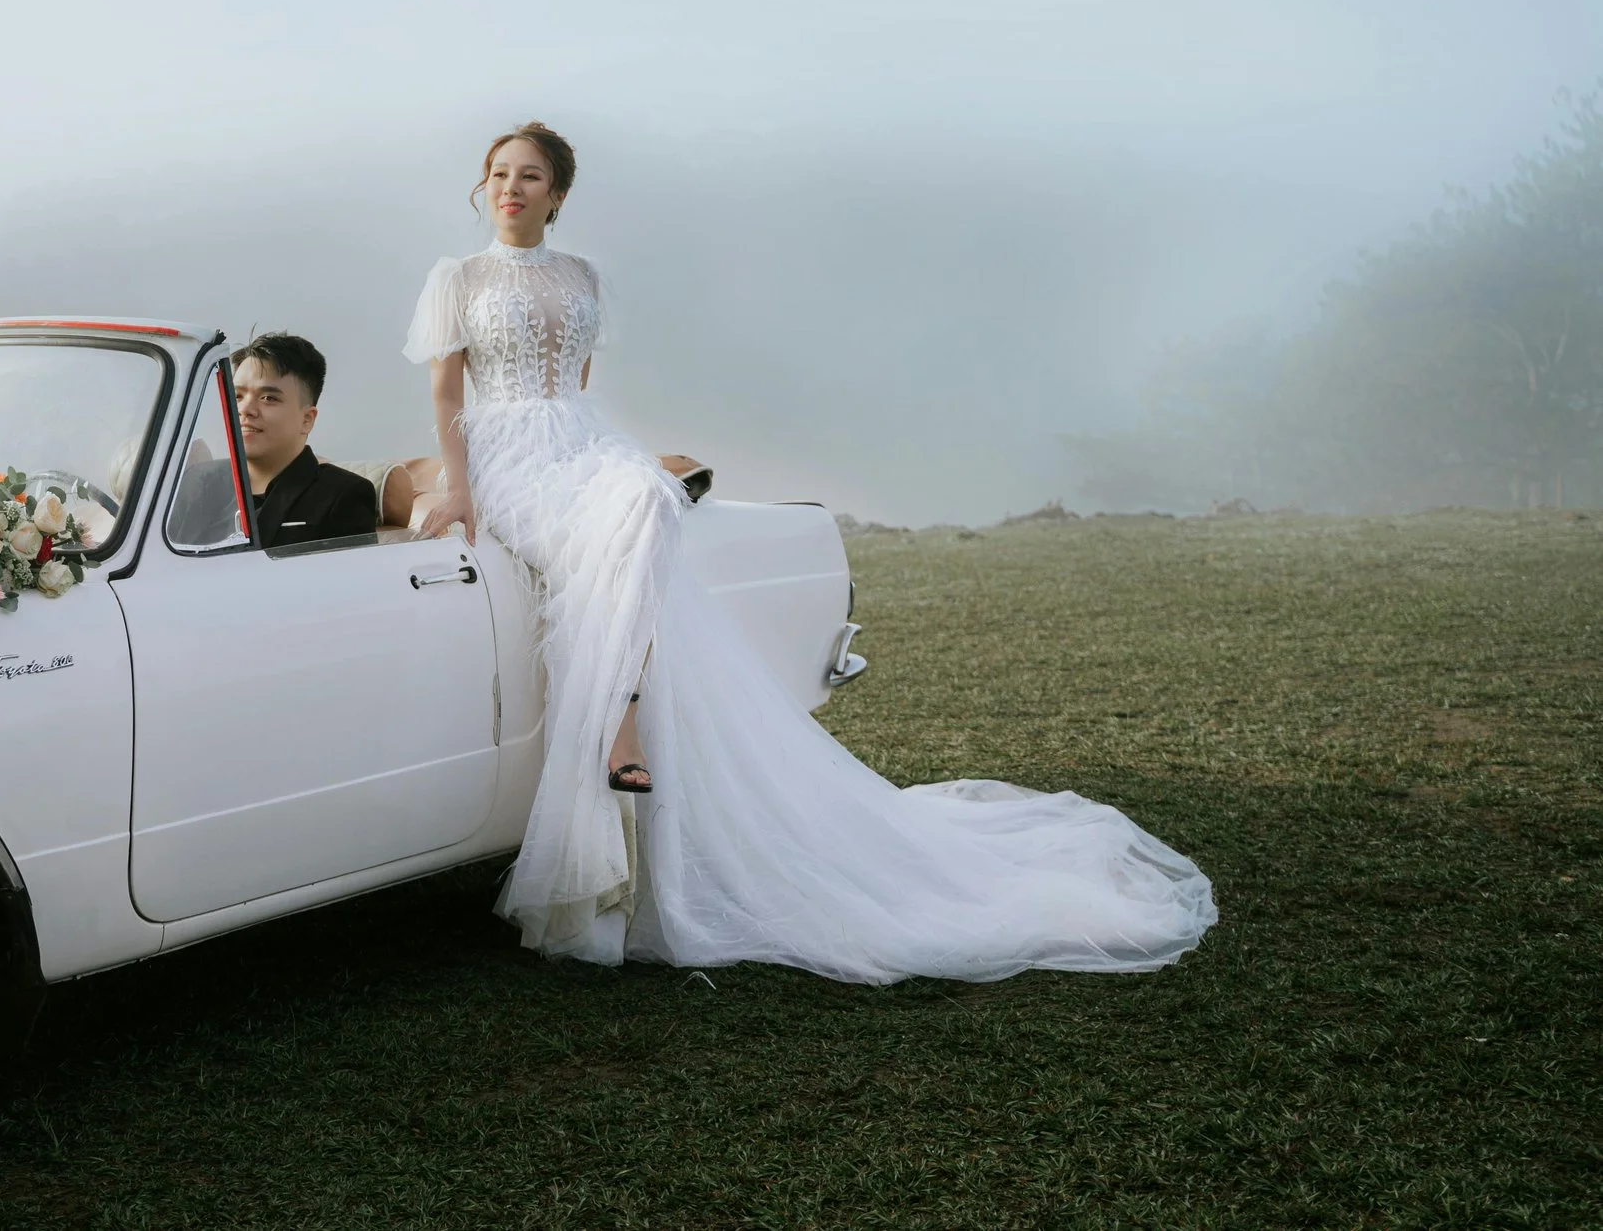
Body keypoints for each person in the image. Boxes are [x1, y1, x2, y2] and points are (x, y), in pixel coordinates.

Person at [408, 122, 1218, 976]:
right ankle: (620, 730)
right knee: (616, 526)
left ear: (558, 194)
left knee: (646, 498)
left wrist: (603, 453)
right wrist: (457, 487)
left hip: (580, 438)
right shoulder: (457, 279)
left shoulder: (582, 276)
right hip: (505, 451)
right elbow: (446, 389)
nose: (511, 187)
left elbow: (575, 391)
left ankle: (620, 712)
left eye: (529, 176)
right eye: (499, 174)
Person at [171, 332, 379, 549]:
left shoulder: (343, 495)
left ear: (307, 420)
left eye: (268, 398)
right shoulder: (195, 480)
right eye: (238, 396)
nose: (245, 410)